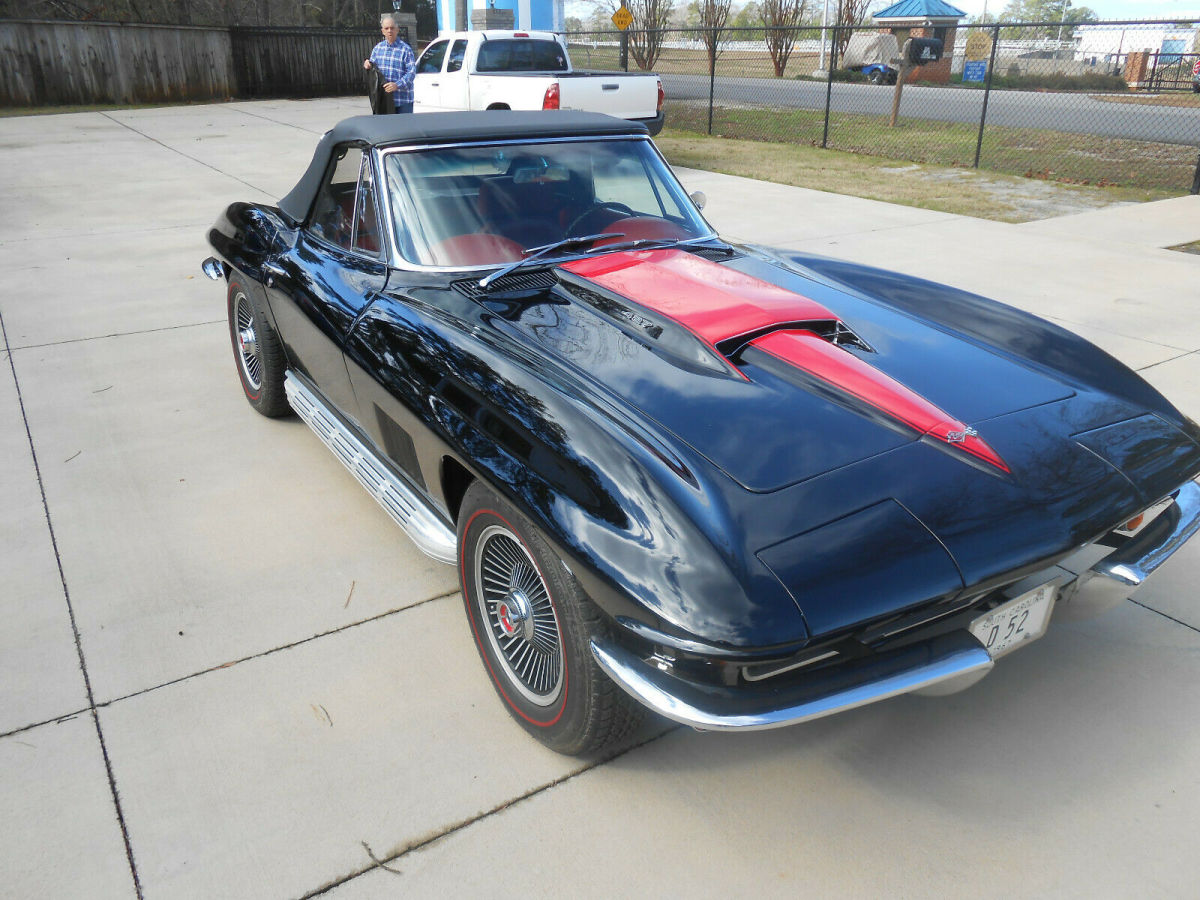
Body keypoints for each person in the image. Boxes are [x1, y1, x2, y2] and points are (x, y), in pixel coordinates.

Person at [363, 14, 416, 114]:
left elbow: (412, 72)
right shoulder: (377, 49)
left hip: (402, 102)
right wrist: (368, 65)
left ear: (397, 30)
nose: (389, 31)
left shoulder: (406, 49)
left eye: (392, 28)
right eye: (386, 28)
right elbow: (373, 70)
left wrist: (397, 85)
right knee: (386, 129)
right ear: (382, 31)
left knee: (405, 129)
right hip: (384, 102)